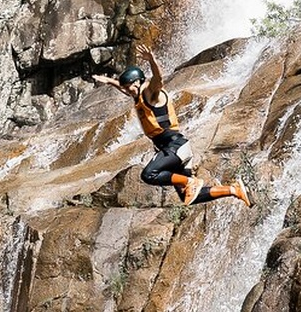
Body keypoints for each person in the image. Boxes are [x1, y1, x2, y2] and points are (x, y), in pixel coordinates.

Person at [93, 43, 252, 207]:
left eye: (131, 86)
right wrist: (108, 81)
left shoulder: (150, 93)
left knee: (149, 175)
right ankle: (233, 190)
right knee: (190, 198)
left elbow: (158, 79)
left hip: (174, 146)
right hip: (174, 149)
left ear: (139, 82)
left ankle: (190, 182)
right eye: (126, 88)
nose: (128, 90)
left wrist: (152, 61)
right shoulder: (137, 94)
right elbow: (125, 88)